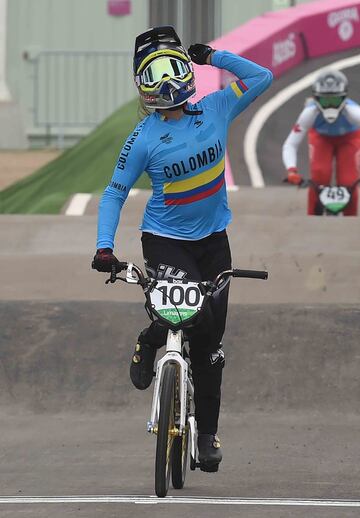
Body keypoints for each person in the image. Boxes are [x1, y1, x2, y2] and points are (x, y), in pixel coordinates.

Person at [93, 26, 273, 472]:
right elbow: (115, 193)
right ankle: (153, 337)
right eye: (155, 74)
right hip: (165, 241)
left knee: (210, 345)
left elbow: (262, 77)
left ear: (186, 70)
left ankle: (207, 435)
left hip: (214, 243)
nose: (168, 82)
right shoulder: (142, 137)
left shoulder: (215, 107)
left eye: (174, 68)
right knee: (192, 314)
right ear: (142, 85)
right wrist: (103, 247)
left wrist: (214, 57)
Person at [282, 69, 360, 215]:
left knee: (349, 182)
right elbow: (291, 144)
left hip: (349, 138)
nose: (330, 106)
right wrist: (291, 170)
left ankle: (351, 220)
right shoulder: (309, 113)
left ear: (343, 98)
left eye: (335, 100)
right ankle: (313, 217)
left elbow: (290, 144)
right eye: (325, 100)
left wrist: (291, 169)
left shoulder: (355, 112)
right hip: (322, 138)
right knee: (319, 176)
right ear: (316, 99)